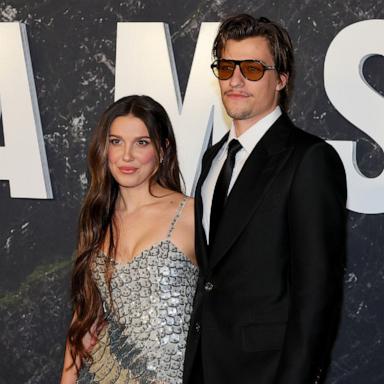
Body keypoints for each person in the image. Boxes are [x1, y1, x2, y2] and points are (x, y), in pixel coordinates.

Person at [183, 14, 347, 384]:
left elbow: (317, 294)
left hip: (267, 373)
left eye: (253, 69)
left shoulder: (309, 159)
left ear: (281, 80)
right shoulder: (214, 158)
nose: (236, 80)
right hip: (203, 368)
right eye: (227, 67)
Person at [61, 95, 198, 384]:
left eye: (142, 143)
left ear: (163, 150)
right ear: (104, 148)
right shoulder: (98, 221)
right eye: (116, 142)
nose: (126, 156)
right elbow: (83, 324)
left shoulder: (192, 214)